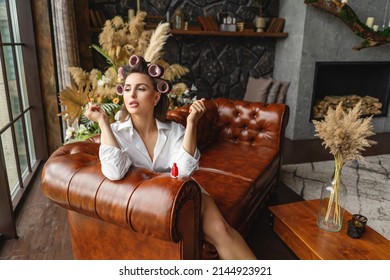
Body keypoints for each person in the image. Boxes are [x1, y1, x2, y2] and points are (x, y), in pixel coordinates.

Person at [84, 55, 256, 260]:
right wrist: (103, 122)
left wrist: (192, 123)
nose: (132, 94)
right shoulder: (114, 133)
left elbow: (183, 172)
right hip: (150, 205)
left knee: (222, 230)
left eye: (141, 88)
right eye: (128, 88)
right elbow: (114, 171)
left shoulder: (174, 131)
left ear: (156, 97)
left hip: (185, 195)